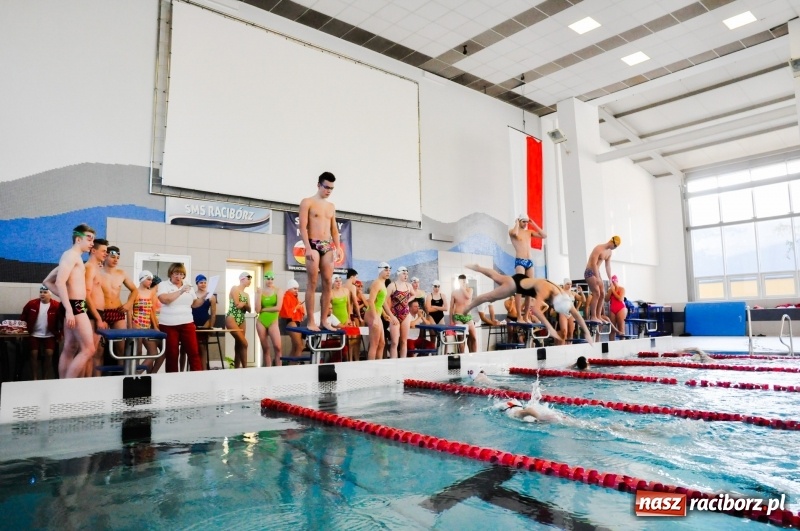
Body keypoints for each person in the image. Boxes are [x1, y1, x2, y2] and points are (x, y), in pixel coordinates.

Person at [462, 263, 594, 345]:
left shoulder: (562, 295)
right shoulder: (546, 290)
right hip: (515, 286)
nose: (550, 304)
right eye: (552, 304)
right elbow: (536, 310)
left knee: (497, 276)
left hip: (523, 280)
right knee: (489, 297)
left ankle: (478, 267)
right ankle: (468, 307)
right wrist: (551, 329)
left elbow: (576, 314)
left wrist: (587, 333)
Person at [50, 224, 97, 378]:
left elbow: (47, 281)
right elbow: (59, 282)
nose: (92, 243)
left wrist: (67, 302)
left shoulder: (74, 257)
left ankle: (63, 383)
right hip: (75, 307)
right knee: (89, 349)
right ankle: (69, 385)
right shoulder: (70, 256)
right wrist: (69, 309)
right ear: (78, 239)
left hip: (74, 305)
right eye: (89, 239)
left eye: (93, 240)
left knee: (70, 347)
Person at [299, 171, 341, 331]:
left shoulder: (331, 207)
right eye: (326, 187)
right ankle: (311, 321)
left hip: (327, 245)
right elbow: (302, 227)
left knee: (328, 283)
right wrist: (308, 248)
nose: (329, 191)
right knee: (312, 282)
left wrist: (338, 247)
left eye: (331, 188)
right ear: (318, 185)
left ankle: (324, 320)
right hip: (313, 244)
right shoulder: (307, 202)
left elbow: (334, 230)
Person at [157, 262, 205, 373]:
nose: (179, 277)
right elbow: (165, 300)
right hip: (169, 324)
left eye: (181, 274)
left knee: (193, 351)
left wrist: (203, 298)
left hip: (187, 322)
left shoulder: (188, 285)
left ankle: (198, 376)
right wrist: (181, 291)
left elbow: (194, 304)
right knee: (172, 354)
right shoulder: (163, 285)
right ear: (171, 273)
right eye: (176, 274)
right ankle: (173, 378)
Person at [99, 246, 138, 366]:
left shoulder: (121, 273)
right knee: (99, 350)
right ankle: (98, 376)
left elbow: (134, 290)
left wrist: (129, 303)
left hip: (118, 311)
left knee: (121, 349)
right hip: (101, 312)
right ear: (105, 256)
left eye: (118, 257)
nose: (116, 260)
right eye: (113, 257)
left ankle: (121, 374)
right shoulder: (97, 272)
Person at [509, 214, 546, 322]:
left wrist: (533, 223)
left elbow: (544, 235)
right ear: (519, 221)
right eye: (523, 221)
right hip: (520, 261)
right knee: (519, 289)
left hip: (530, 262)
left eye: (526, 222)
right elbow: (515, 233)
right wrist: (516, 222)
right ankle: (519, 316)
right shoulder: (512, 231)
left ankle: (526, 316)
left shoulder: (529, 232)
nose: (525, 224)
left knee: (529, 290)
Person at [21, 285, 61, 380]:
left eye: (45, 292)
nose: (42, 294)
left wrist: (60, 334)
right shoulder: (32, 304)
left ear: (50, 294)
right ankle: (35, 377)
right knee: (33, 354)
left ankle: (45, 377)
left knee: (49, 353)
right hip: (34, 334)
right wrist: (23, 329)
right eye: (41, 292)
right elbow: (23, 317)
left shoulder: (56, 305)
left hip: (49, 334)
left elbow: (61, 321)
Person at [84, 238, 108, 376]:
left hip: (98, 313)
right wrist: (98, 318)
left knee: (96, 352)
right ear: (93, 250)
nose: (106, 254)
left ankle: (94, 382)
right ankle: (86, 384)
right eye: (103, 251)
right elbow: (87, 295)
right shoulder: (89, 268)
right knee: (88, 351)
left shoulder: (96, 268)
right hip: (92, 314)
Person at [584, 236, 621, 322]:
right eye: (615, 246)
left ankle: (598, 315)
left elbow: (607, 266)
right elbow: (593, 263)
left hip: (597, 272)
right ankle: (593, 316)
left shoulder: (609, 252)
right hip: (590, 271)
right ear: (611, 241)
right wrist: (597, 277)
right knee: (596, 293)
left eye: (616, 247)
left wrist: (610, 279)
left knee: (603, 294)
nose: (614, 248)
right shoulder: (598, 248)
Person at [132, 270, 162, 373]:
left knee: (153, 353)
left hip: (147, 326)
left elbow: (151, 311)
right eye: (148, 279)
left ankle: (138, 372)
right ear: (142, 279)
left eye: (151, 280)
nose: (150, 282)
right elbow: (129, 310)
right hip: (137, 325)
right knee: (138, 352)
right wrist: (130, 326)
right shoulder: (135, 292)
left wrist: (155, 327)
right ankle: (134, 375)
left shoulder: (151, 293)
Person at [365, 263, 393, 360]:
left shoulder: (382, 283)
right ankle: (372, 366)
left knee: (382, 343)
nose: (388, 272)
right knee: (374, 344)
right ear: (380, 271)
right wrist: (375, 318)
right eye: (386, 270)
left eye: (389, 270)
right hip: (372, 314)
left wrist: (384, 314)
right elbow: (371, 301)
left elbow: (380, 302)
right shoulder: (377, 283)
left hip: (377, 313)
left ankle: (378, 365)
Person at [256, 271, 283, 367]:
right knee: (265, 349)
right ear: (264, 279)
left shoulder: (278, 290)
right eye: (268, 278)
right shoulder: (260, 292)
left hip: (273, 321)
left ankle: (279, 369)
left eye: (272, 279)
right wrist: (259, 294)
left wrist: (264, 309)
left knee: (277, 347)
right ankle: (268, 369)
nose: (270, 281)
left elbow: (278, 308)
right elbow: (257, 310)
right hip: (261, 321)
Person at [387, 266, 414, 358]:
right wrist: (391, 316)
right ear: (399, 274)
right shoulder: (392, 286)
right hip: (394, 314)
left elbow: (414, 295)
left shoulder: (409, 286)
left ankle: (403, 363)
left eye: (407, 274)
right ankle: (393, 363)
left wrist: (408, 300)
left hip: (406, 314)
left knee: (403, 341)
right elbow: (384, 301)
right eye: (404, 274)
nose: (406, 276)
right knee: (394, 342)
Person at [227, 272, 252, 369]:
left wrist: (244, 304)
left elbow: (249, 310)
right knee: (245, 343)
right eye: (248, 279)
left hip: (241, 318)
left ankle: (236, 369)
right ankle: (246, 369)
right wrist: (244, 305)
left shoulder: (246, 294)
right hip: (232, 317)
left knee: (239, 345)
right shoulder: (235, 288)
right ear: (242, 279)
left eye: (250, 279)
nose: (250, 281)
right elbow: (237, 304)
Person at [191, 274, 217, 369]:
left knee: (203, 347)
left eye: (205, 283)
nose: (203, 284)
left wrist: (211, 327)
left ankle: (204, 370)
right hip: (193, 323)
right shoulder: (192, 295)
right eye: (201, 282)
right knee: (193, 348)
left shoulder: (211, 297)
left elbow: (213, 314)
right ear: (197, 284)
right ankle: (194, 369)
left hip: (205, 323)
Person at [279, 279, 306, 358]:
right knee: (300, 347)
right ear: (289, 288)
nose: (296, 291)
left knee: (295, 347)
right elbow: (286, 313)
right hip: (291, 322)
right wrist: (296, 307)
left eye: (297, 289)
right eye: (294, 288)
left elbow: (300, 311)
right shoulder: (286, 297)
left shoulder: (295, 297)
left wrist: (299, 307)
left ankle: (291, 364)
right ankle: (295, 365)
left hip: (296, 322)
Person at [450, 274, 477, 353]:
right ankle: (462, 356)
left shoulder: (470, 290)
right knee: (461, 338)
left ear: (466, 282)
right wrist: (451, 320)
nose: (463, 283)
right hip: (458, 317)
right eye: (461, 282)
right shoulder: (454, 292)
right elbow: (451, 307)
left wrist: (462, 288)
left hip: (468, 317)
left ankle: (474, 355)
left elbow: (468, 297)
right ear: (458, 282)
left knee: (473, 337)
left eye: (464, 282)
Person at [606, 274, 627, 340]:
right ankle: (611, 345)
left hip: (621, 309)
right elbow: (606, 300)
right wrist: (610, 291)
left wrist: (613, 291)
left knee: (621, 328)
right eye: (612, 282)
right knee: (612, 329)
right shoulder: (610, 290)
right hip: (612, 309)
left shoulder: (622, 289)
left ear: (617, 281)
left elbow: (620, 299)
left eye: (614, 282)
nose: (613, 283)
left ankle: (622, 344)